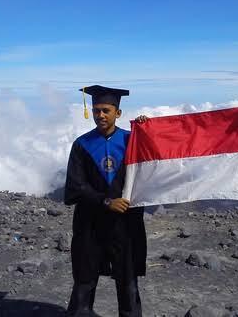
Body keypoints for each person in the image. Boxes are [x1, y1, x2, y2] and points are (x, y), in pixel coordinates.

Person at [64, 85, 148, 317]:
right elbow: (75, 187)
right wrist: (105, 201)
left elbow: (156, 159)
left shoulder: (132, 141)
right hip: (90, 223)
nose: (100, 115)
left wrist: (147, 129)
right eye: (96, 110)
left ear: (117, 113)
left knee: (128, 283)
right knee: (84, 280)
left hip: (125, 224)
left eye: (106, 110)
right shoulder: (82, 145)